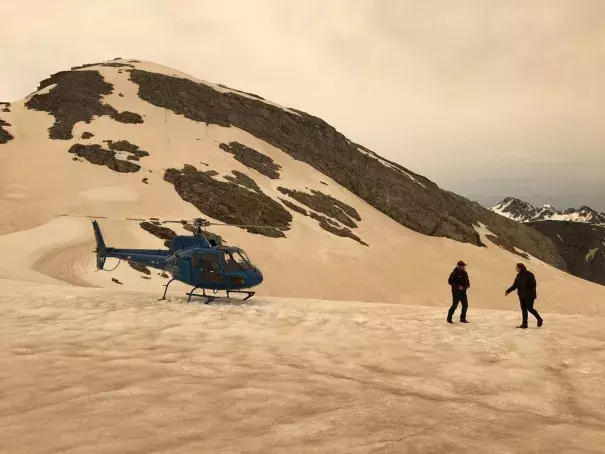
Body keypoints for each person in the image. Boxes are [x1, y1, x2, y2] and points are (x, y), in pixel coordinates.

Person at [505, 263, 543, 329]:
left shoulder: (529, 274)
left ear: (520, 268)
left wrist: (527, 292)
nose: (515, 269)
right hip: (522, 296)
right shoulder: (518, 275)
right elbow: (515, 285)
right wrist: (508, 291)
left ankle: (539, 319)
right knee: (524, 309)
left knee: (529, 308)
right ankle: (524, 324)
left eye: (516, 267)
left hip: (529, 295)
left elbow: (533, 285)